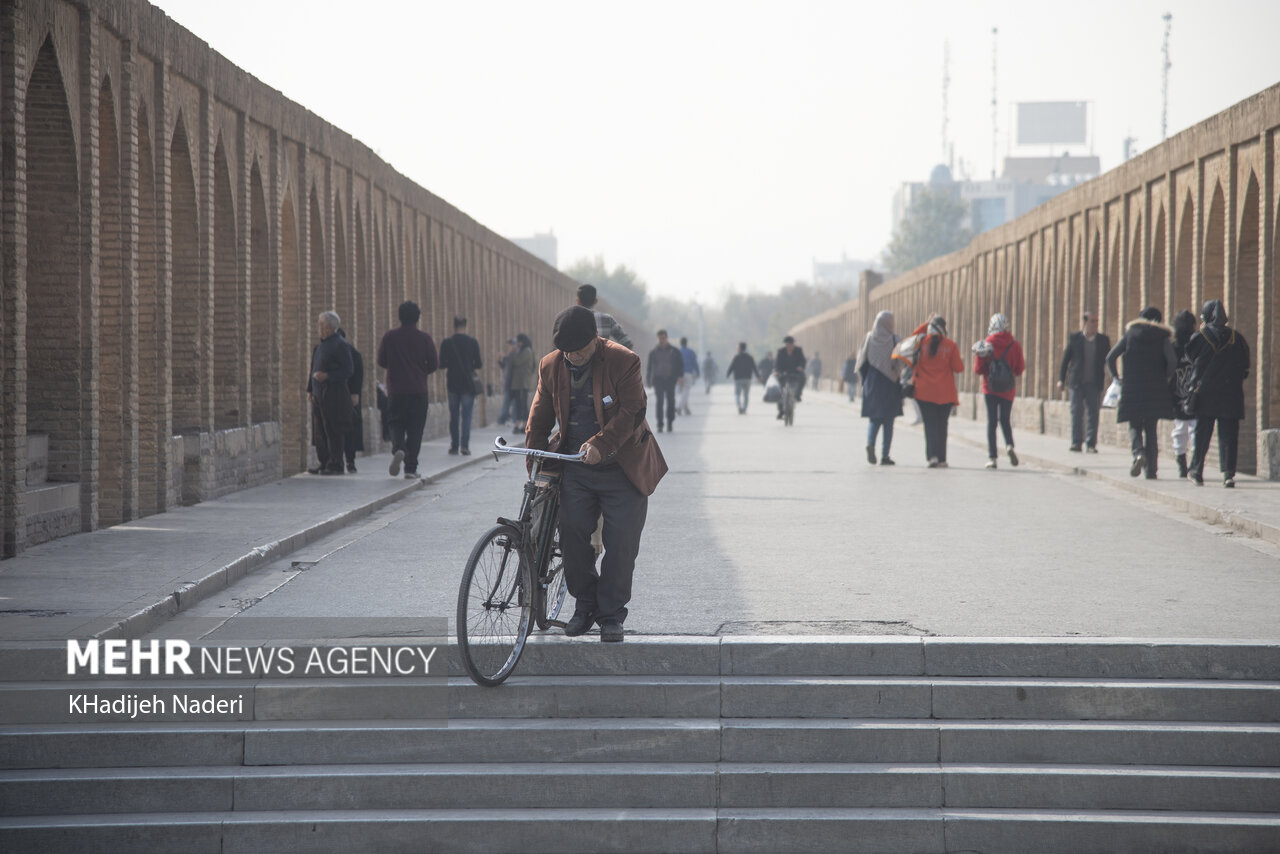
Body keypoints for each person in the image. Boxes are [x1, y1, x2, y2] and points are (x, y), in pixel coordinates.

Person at [526, 306, 668, 643]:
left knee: (621, 546)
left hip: (623, 467)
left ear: (595, 340)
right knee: (573, 537)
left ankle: (611, 615)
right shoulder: (551, 365)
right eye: (566, 351)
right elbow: (539, 416)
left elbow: (634, 410)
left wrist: (601, 445)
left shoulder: (623, 361)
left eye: (579, 350)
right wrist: (534, 458)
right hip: (576, 467)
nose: (572, 356)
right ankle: (584, 605)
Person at [1186, 299, 1251, 488]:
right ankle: (1228, 474)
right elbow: (1245, 369)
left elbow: (1190, 357)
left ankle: (1197, 471)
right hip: (1231, 394)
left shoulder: (1201, 336)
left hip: (1206, 394)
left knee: (1202, 435)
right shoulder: (1236, 338)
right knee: (1229, 436)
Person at [1107, 306, 1177, 479]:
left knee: (1134, 425)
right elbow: (1172, 360)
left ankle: (1138, 453)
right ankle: (1151, 470)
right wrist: (1166, 377)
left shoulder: (1130, 334)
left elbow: (1110, 357)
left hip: (1132, 387)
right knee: (1151, 429)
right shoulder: (1162, 337)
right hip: (1155, 389)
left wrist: (1117, 377)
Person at [378, 300, 438, 479]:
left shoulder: (390, 337)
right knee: (415, 429)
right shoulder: (425, 338)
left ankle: (399, 448)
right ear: (417, 318)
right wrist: (420, 371)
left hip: (396, 390)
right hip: (418, 391)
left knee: (395, 423)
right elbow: (434, 364)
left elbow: (381, 361)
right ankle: (411, 468)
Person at [973, 313, 1026, 469]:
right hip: (1008, 390)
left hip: (990, 388)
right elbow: (1020, 368)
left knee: (991, 422)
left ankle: (993, 457)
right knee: (1005, 419)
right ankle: (1009, 445)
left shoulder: (986, 343)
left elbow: (978, 369)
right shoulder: (1014, 345)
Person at [911, 315, 964, 468]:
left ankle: (932, 457)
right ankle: (942, 458)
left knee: (930, 425)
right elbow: (959, 368)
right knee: (942, 425)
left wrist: (925, 323)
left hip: (924, 392)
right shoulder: (950, 345)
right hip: (945, 393)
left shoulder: (920, 343)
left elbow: (910, 340)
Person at [1058, 311, 1112, 453]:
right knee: (1076, 412)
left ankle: (1091, 444)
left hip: (1094, 382)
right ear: (1085, 322)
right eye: (1092, 321)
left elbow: (1109, 360)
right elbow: (1066, 360)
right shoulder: (1075, 338)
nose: (1095, 324)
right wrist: (1061, 379)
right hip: (1076, 382)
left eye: (1096, 321)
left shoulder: (1103, 340)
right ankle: (1076, 442)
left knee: (1093, 413)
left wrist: (1112, 377)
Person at [307, 310, 353, 475]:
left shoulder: (341, 345)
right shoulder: (320, 346)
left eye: (320, 325)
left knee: (333, 429)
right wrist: (310, 389)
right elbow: (314, 369)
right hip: (319, 395)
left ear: (328, 328)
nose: (318, 329)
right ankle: (324, 462)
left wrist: (328, 376)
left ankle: (336, 464)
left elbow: (348, 370)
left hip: (334, 395)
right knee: (320, 431)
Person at [855, 310, 903, 465]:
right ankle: (885, 456)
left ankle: (870, 443)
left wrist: (864, 382)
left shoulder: (869, 338)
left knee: (874, 420)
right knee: (889, 422)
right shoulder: (895, 339)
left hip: (872, 382)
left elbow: (861, 361)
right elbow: (900, 363)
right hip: (890, 384)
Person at [438, 314, 483, 455]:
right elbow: (479, 364)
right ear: (465, 325)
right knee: (467, 416)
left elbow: (441, 364)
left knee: (454, 416)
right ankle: (465, 446)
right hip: (468, 385)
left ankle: (454, 445)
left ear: (454, 326)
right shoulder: (472, 342)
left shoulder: (447, 342)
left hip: (452, 383)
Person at [1170, 310, 1199, 478]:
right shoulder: (1197, 344)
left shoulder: (1173, 347)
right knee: (1195, 429)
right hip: (1195, 393)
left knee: (1180, 429)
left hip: (1177, 393)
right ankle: (1194, 464)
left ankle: (1181, 462)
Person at [645, 329, 683, 432]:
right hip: (658, 380)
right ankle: (660, 424)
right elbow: (649, 367)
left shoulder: (674, 351)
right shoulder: (654, 352)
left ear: (666, 338)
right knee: (660, 401)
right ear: (658, 339)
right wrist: (648, 380)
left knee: (671, 401)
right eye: (660, 338)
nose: (662, 340)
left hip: (671, 379)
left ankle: (670, 422)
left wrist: (680, 376)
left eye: (663, 338)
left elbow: (680, 365)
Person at [577, 284, 633, 350]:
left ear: (578, 301)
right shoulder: (607, 319)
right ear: (595, 301)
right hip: (602, 359)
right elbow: (627, 343)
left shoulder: (572, 319)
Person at [339, 329, 364, 474]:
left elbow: (357, 374)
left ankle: (349, 461)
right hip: (337, 397)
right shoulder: (323, 349)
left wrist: (355, 393)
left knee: (349, 430)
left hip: (348, 398)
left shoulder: (352, 353)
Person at [773, 336, 807, 419]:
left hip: (795, 373)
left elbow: (803, 361)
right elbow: (777, 363)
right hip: (783, 373)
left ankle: (798, 395)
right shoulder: (781, 351)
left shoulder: (798, 351)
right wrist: (777, 371)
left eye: (791, 344)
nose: (789, 346)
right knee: (781, 393)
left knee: (803, 378)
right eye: (788, 344)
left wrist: (801, 367)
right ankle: (781, 411)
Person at [510, 333, 537, 433]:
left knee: (522, 405)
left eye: (518, 342)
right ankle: (521, 425)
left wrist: (513, 352)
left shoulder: (527, 351)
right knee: (519, 405)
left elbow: (516, 362)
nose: (517, 344)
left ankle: (524, 425)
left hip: (522, 383)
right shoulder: (523, 351)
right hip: (519, 383)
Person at [725, 342, 761, 414]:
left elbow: (731, 367)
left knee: (737, 394)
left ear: (740, 348)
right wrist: (758, 376)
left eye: (737, 348)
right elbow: (754, 367)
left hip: (738, 378)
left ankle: (739, 407)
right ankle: (744, 408)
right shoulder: (750, 357)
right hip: (747, 378)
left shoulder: (736, 357)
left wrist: (728, 374)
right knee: (746, 395)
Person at [496, 338, 519, 426]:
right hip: (508, 384)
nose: (510, 347)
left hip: (513, 384)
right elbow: (504, 367)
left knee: (513, 404)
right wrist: (499, 360)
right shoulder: (509, 356)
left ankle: (510, 419)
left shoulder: (515, 356)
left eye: (511, 345)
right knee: (507, 403)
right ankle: (505, 419)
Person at [677, 336, 699, 415]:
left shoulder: (677, 351)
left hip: (679, 374)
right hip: (688, 373)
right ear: (686, 343)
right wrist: (698, 373)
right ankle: (679, 407)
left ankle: (686, 409)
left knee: (683, 392)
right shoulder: (690, 352)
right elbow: (695, 363)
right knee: (686, 391)